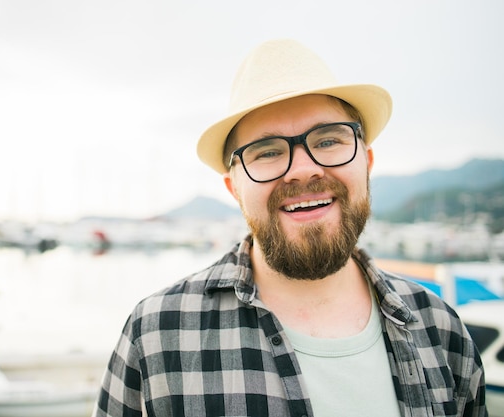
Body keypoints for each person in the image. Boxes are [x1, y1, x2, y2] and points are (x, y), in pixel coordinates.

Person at [92, 39, 487, 417]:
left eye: (328, 140)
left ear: (366, 162)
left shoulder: (441, 328)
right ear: (235, 188)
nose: (303, 169)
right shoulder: (159, 333)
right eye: (267, 152)